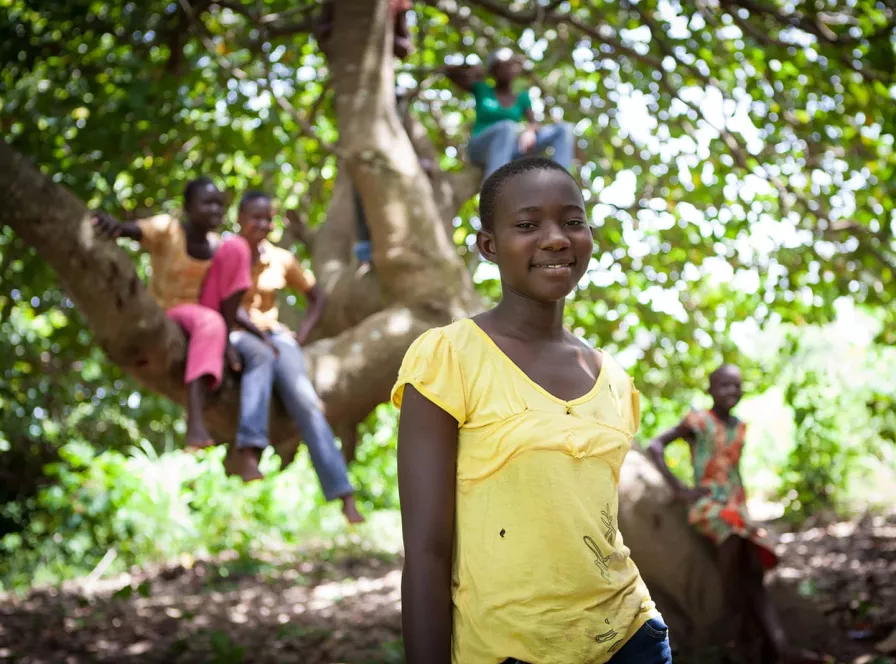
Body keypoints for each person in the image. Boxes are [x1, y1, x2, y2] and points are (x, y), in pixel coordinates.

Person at [393, 157, 669, 664]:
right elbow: (427, 556)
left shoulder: (613, 380)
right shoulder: (448, 358)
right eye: (527, 225)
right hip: (509, 652)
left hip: (633, 640)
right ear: (489, 246)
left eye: (572, 221)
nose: (556, 238)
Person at [648, 366, 822, 664]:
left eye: (736, 386)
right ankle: (733, 637)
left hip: (736, 507)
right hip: (711, 507)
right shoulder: (698, 421)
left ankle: (777, 647)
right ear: (710, 390)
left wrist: (743, 504)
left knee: (753, 573)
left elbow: (733, 471)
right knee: (731, 556)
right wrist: (680, 489)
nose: (731, 392)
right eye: (724, 386)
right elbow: (655, 446)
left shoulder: (739, 426)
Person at [229, 190, 364, 524]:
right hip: (238, 333)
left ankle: (344, 494)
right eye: (254, 218)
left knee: (306, 401)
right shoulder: (227, 253)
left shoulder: (280, 258)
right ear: (239, 220)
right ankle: (250, 453)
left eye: (267, 218)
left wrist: (299, 337)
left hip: (274, 335)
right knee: (259, 358)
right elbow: (220, 302)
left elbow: (316, 296)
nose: (261, 224)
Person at [91, 178, 253, 450]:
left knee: (235, 251)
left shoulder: (219, 246)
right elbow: (135, 231)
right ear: (188, 207)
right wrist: (114, 227)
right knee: (210, 322)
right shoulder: (169, 229)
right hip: (169, 310)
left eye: (219, 205)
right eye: (207, 203)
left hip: (206, 314)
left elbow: (229, 294)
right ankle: (196, 421)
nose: (215, 210)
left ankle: (220, 342)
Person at [317, 0, 415, 268]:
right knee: (362, 166)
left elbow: (405, 46)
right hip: (352, 91)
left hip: (384, 90)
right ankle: (365, 248)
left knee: (394, 163)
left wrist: (381, 35)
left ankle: (398, 242)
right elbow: (322, 34)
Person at [442, 47, 575, 182]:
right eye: (501, 66)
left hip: (510, 150)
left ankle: (562, 183)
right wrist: (474, 71)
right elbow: (448, 71)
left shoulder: (522, 97)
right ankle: (494, 190)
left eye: (510, 64)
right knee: (507, 126)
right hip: (480, 148)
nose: (507, 69)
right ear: (493, 71)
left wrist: (530, 131)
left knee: (564, 129)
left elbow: (533, 122)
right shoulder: (482, 89)